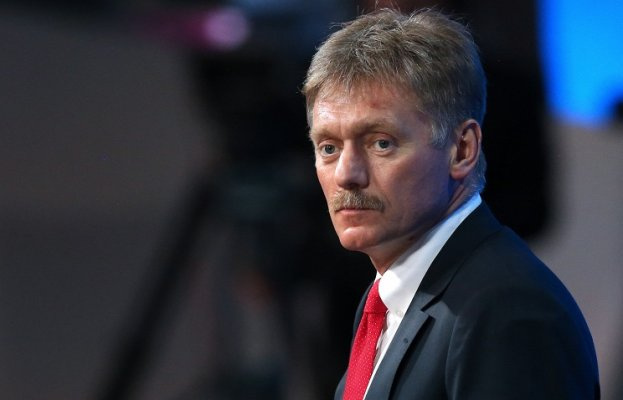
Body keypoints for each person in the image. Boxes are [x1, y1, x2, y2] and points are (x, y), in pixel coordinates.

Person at [302, 8, 600, 400]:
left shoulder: (508, 311)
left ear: (462, 149)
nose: (346, 174)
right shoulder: (385, 299)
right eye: (328, 148)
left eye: (381, 143)